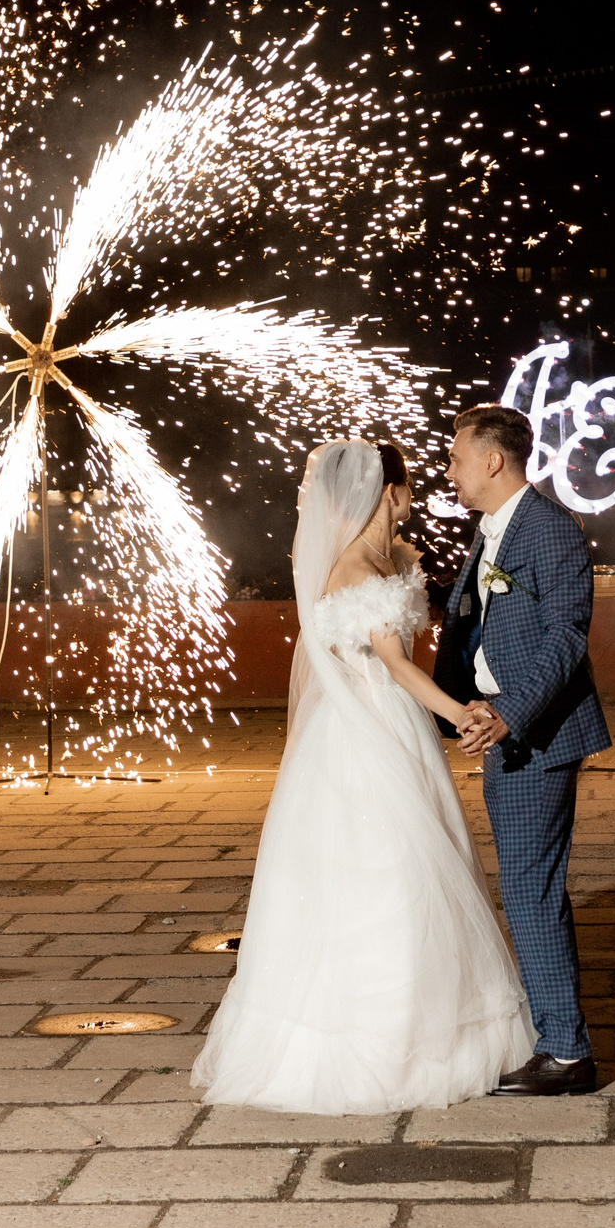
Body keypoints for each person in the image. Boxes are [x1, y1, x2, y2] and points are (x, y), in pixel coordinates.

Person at [190, 441, 532, 1115]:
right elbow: (397, 665)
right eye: (406, 482)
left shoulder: (395, 556)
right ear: (387, 489)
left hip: (393, 723)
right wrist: (465, 714)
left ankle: (425, 1020)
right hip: (364, 729)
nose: (417, 490)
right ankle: (373, 1043)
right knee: (388, 869)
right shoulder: (352, 568)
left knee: (415, 867)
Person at [436, 403, 613, 1097]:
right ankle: (559, 1038)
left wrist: (507, 715)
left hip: (537, 736)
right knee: (525, 885)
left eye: (455, 457)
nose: (447, 470)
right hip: (499, 729)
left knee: (530, 890)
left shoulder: (550, 530)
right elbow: (471, 632)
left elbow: (567, 637)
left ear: (491, 459)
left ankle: (567, 1052)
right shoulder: (491, 531)